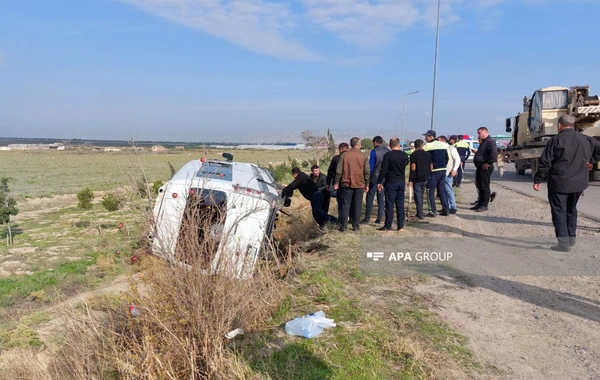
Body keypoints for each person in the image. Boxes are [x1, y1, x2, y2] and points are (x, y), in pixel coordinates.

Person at [533, 114, 600, 252]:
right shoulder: (587, 139)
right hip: (579, 184)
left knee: (559, 212)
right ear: (573, 125)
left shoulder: (555, 140)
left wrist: (538, 179)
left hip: (559, 183)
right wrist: (590, 160)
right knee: (571, 210)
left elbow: (545, 162)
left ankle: (563, 244)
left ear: (559, 125)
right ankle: (571, 239)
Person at [334, 137, 370, 232]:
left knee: (345, 205)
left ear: (351, 145)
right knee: (357, 205)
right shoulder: (364, 155)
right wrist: (367, 183)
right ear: (358, 145)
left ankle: (344, 226)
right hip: (359, 184)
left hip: (346, 183)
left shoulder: (344, 155)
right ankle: (356, 226)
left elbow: (339, 171)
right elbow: (367, 171)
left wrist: (337, 182)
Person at [376, 138, 409, 231]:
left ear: (389, 146)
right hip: (401, 182)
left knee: (389, 204)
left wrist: (379, 181)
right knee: (400, 204)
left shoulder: (388, 155)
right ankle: (400, 225)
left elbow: (383, 170)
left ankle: (388, 225)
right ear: (399, 144)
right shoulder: (404, 155)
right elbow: (406, 164)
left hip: (391, 182)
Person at [423, 130, 450, 217]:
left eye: (426, 136)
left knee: (430, 191)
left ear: (431, 136)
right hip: (443, 170)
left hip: (434, 171)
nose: (425, 138)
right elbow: (447, 157)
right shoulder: (444, 144)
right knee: (441, 190)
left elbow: (424, 158)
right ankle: (446, 209)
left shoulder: (427, 146)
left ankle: (432, 211)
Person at [363, 136, 389, 224]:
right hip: (384, 177)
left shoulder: (374, 152)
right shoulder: (387, 151)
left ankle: (367, 218)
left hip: (375, 177)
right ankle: (379, 218)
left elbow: (370, 166)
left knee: (370, 197)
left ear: (375, 142)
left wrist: (367, 179)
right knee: (381, 197)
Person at [471, 127, 497, 212]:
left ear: (485, 132)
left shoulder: (490, 142)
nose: (478, 135)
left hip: (485, 167)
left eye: (479, 133)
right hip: (480, 167)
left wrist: (488, 163)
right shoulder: (484, 142)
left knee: (484, 186)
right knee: (479, 186)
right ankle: (479, 203)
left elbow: (493, 154)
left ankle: (484, 205)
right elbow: (483, 153)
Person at [408, 139, 432, 219]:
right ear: (422, 145)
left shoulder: (414, 155)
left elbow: (413, 168)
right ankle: (420, 211)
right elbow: (431, 166)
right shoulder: (428, 154)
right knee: (421, 195)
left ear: (415, 146)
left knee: (417, 195)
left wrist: (410, 180)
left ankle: (420, 213)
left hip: (417, 178)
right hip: (426, 177)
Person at [438, 135, 460, 214]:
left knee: (448, 189)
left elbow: (457, 159)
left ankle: (453, 207)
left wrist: (454, 170)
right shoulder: (443, 148)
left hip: (448, 172)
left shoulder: (451, 148)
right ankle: (447, 206)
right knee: (444, 190)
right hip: (443, 172)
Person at [326, 143, 349, 219]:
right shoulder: (352, 157)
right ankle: (352, 218)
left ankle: (341, 218)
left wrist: (328, 183)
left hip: (339, 182)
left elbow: (330, 171)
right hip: (352, 182)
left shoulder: (336, 158)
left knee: (341, 201)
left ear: (340, 149)